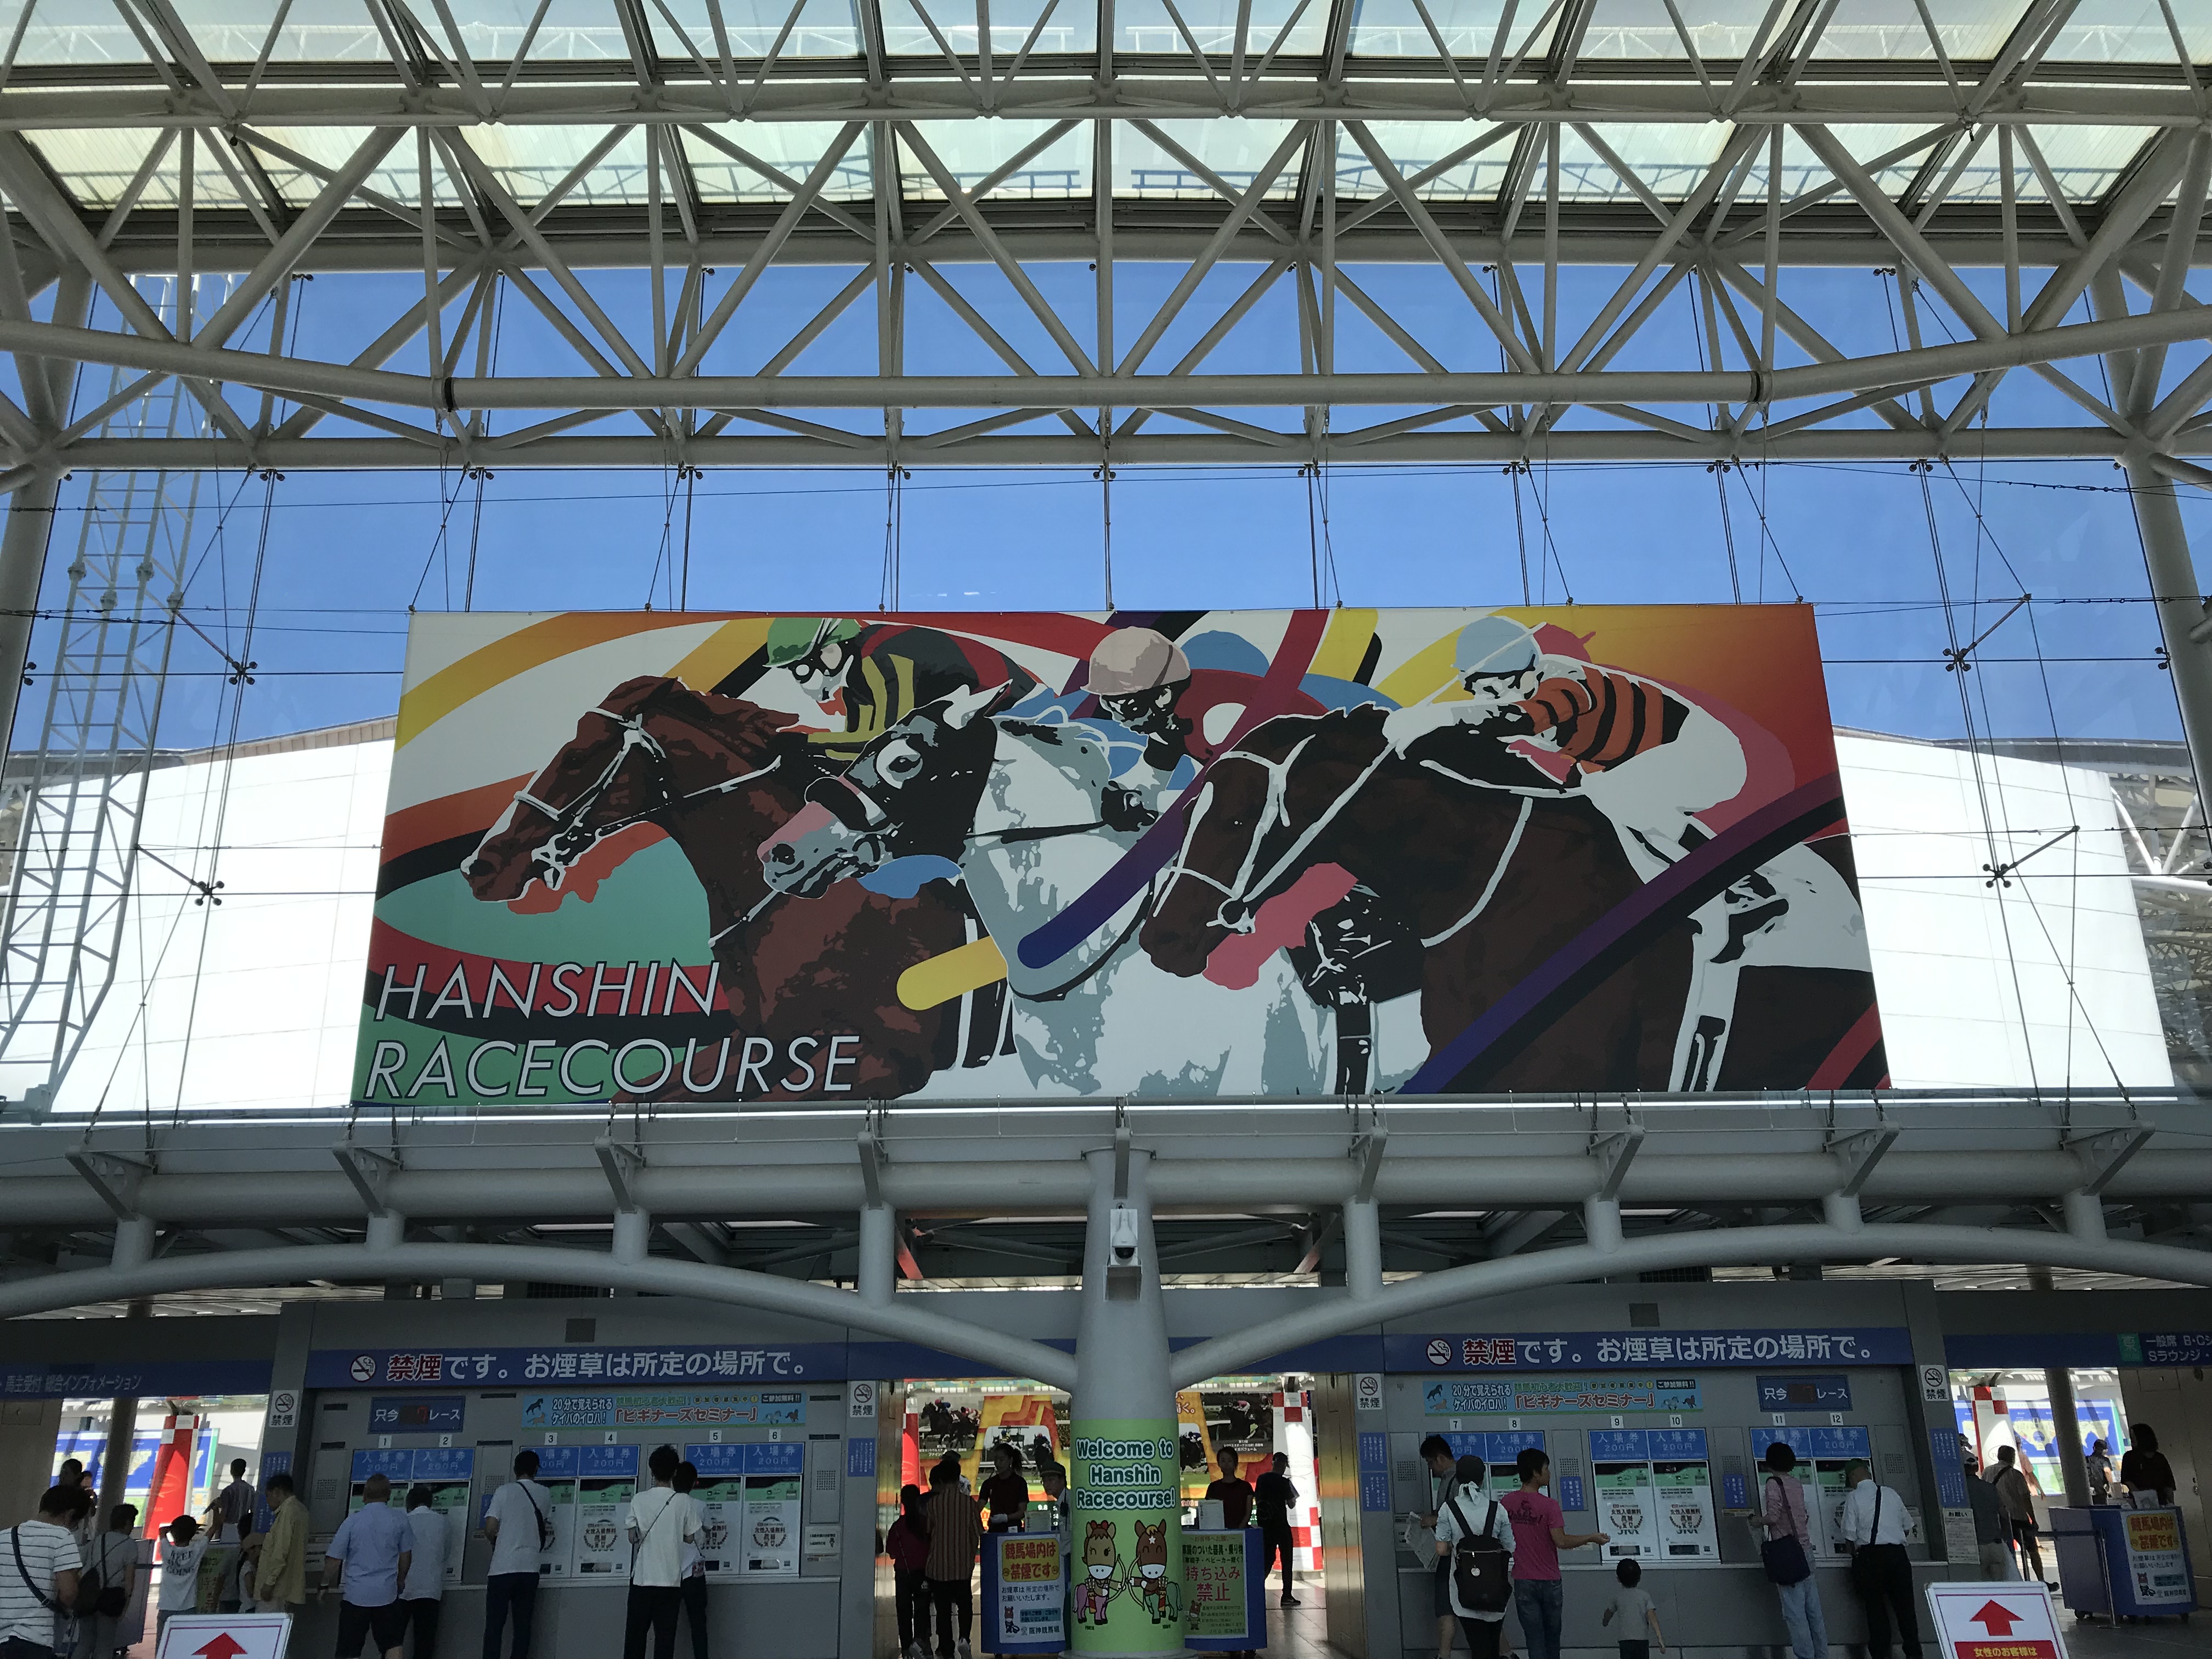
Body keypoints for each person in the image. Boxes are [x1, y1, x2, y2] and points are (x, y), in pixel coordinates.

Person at [761, 617, 1039, 761]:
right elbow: (858, 752)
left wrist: (807, 742)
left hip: (1025, 714)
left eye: (800, 669)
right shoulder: (855, 683)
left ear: (830, 649)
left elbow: (883, 741)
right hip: (980, 725)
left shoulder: (883, 658)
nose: (801, 680)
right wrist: (808, 749)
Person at [1500, 1448, 1608, 1659]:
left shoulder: (1507, 1503)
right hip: (1549, 1581)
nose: (1549, 1473)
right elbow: (1561, 1541)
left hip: (1523, 1580)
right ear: (1535, 1473)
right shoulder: (1549, 1506)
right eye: (1546, 1469)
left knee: (1534, 1639)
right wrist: (1591, 1537)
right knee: (1552, 1639)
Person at [1740, 1443, 1826, 1659]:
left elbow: (1773, 1516)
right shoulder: (1796, 1483)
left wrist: (1755, 1521)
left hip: (1788, 1556)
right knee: (1813, 1611)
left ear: (1769, 1463)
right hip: (1805, 1551)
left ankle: (1805, 1656)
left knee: (1795, 1613)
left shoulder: (1773, 1483)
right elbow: (1803, 1515)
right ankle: (1822, 1655)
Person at [1432, 1452, 1514, 1659]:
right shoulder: (1498, 1509)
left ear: (1458, 1479)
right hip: (1496, 1587)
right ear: (1482, 1479)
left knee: (1478, 1645)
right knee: (1492, 1645)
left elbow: (1441, 1549)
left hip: (1465, 1589)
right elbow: (1510, 1546)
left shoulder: (1448, 1509)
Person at [321, 1473, 412, 1659]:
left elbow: (334, 1559)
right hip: (387, 1595)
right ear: (389, 1495)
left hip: (356, 1596)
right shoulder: (400, 1520)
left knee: (350, 1649)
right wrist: (401, 1579)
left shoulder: (352, 1521)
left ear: (364, 1495)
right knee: (393, 1644)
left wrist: (324, 1584)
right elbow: (406, 1556)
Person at [623, 1444, 698, 1659]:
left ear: (652, 1471)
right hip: (670, 1582)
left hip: (642, 1581)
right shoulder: (684, 1502)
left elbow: (632, 1537)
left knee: (635, 1640)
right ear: (675, 1472)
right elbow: (690, 1538)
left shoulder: (639, 1499)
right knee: (665, 1642)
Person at [1839, 1460, 1920, 1659]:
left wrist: (1854, 1552)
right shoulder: (1891, 1493)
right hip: (1898, 1556)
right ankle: (1914, 1653)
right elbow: (1907, 1527)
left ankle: (1882, 1654)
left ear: (1853, 1476)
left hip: (1871, 1558)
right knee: (1905, 1609)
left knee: (1875, 1609)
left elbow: (1849, 1535)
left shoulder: (1854, 1497)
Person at [481, 1449, 551, 1659]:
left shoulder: (503, 1491)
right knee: (523, 1627)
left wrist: (497, 1543)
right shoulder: (545, 1494)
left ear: (515, 1470)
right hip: (530, 1568)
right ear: (536, 1469)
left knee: (494, 1626)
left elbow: (490, 1527)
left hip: (502, 1568)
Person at [1, 1486, 83, 1659]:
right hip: (34, 1640)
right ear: (70, 1515)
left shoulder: (3, 1537)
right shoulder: (62, 1537)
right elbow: (68, 1593)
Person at [922, 1459, 981, 1659]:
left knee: (943, 1610)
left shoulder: (933, 1504)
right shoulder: (969, 1504)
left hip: (938, 1566)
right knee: (965, 1603)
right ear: (958, 1478)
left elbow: (929, 1532)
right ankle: (965, 1638)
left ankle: (946, 1647)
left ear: (940, 1479)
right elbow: (977, 1532)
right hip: (962, 1566)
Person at [1415, 1435, 1468, 1659]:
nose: (1431, 1469)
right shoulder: (1450, 1480)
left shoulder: (1458, 1481)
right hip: (1458, 1555)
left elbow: (1464, 1516)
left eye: (1430, 1463)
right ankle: (1505, 1653)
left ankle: (1444, 1656)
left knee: (1447, 1608)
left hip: (1455, 1556)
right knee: (1479, 1611)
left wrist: (1434, 1520)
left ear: (1439, 1458)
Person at [75, 1503, 138, 1659]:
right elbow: (129, 1580)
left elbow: (82, 1566)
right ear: (128, 1523)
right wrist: (125, 1606)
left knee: (84, 1643)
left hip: (89, 1597)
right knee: (104, 1646)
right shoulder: (129, 1544)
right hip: (110, 1601)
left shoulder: (98, 1540)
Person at [251, 1473, 308, 1616]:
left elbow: (281, 1550)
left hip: (275, 1589)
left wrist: (269, 1582)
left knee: (264, 1626)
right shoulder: (301, 1510)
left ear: (277, 1492)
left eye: (268, 1496)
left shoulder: (287, 1512)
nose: (267, 1501)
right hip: (288, 1587)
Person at [887, 1483, 933, 1659]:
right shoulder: (926, 1524)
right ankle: (920, 1644)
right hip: (923, 1574)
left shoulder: (897, 1527)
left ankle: (906, 1649)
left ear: (902, 1502)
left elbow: (892, 1553)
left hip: (903, 1574)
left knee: (904, 1612)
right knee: (922, 1611)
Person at [1988, 1447, 2046, 1585]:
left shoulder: (1987, 1472)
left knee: (2006, 1552)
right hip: (2018, 1518)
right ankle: (2041, 1581)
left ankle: (2010, 1582)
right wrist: (2033, 1519)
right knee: (2032, 1550)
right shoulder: (2016, 1474)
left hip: (1999, 1519)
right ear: (2012, 1458)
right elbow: (2025, 1499)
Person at [401, 1485, 446, 1659]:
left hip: (403, 1588)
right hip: (431, 1589)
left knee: (394, 1640)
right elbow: (446, 1552)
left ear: (409, 1503)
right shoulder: (442, 1522)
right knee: (425, 1643)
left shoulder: (403, 1521)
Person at [670, 1464, 708, 1659]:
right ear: (694, 1483)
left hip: (670, 1573)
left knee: (667, 1626)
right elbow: (708, 1528)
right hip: (694, 1573)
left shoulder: (667, 1506)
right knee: (699, 1625)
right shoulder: (699, 1506)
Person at [1254, 1452, 1300, 1606]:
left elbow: (1258, 1499)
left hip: (1266, 1526)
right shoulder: (1284, 1482)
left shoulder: (1262, 1479)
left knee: (1267, 1559)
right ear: (1284, 1466)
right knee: (1287, 1560)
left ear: (1273, 1463)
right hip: (1281, 1525)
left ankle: (1256, 1588)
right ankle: (1287, 1596)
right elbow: (1291, 1504)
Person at [156, 1515, 207, 1644]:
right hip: (188, 1607)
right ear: (193, 1534)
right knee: (186, 1646)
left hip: (166, 1607)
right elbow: (214, 1528)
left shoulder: (166, 1550)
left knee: (164, 1647)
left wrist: (170, 1529)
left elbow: (162, 1531)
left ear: (173, 1533)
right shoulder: (197, 1550)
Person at [1961, 1459, 2013, 1581]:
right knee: (2000, 1585)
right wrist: (2005, 1538)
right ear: (1977, 1468)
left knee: (1981, 1586)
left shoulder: (1961, 1491)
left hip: (1974, 1547)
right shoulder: (1990, 1488)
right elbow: (2004, 1515)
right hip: (1996, 1545)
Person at [1601, 1559, 1664, 1659]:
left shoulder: (1618, 1597)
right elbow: (1652, 1617)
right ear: (1639, 1578)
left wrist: (1605, 1622)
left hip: (1625, 1639)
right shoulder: (1644, 1596)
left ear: (1618, 1579)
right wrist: (1659, 1638)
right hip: (1642, 1639)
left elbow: (1609, 1613)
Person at [2119, 1425, 2177, 1506]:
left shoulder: (2160, 1458)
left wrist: (2171, 1504)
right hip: (2139, 1503)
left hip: (2161, 1501)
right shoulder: (2129, 1457)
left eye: (2133, 1437)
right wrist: (2140, 1497)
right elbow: (2127, 1480)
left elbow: (2169, 1484)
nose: (2132, 1440)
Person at [978, 1444, 1029, 1534]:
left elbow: (1022, 1512)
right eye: (996, 1460)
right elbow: (978, 1508)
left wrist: (1006, 1518)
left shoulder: (1020, 1483)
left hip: (1014, 1531)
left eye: (1002, 1460)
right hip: (994, 1531)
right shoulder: (989, 1484)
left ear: (1011, 1460)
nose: (998, 1464)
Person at [208, 1460, 257, 1544]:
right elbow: (254, 1511)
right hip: (244, 1530)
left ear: (231, 1470)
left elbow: (223, 1516)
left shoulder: (228, 1490)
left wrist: (216, 1510)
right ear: (244, 1471)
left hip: (228, 1529)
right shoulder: (251, 1489)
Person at [1205, 1449, 1255, 1530]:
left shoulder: (1245, 1487)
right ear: (1219, 1464)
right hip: (1218, 1531)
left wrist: (1239, 1529)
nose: (1226, 1464)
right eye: (1223, 1461)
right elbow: (1209, 1511)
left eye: (1230, 1461)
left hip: (1241, 1531)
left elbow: (1248, 1513)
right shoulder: (1213, 1487)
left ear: (1236, 1463)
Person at [2085, 1439, 2114, 1506]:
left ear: (2094, 1448)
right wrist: (2111, 1488)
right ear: (2105, 1450)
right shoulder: (2104, 1460)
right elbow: (2107, 1471)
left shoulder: (2086, 1459)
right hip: (2100, 1491)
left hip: (2088, 1491)